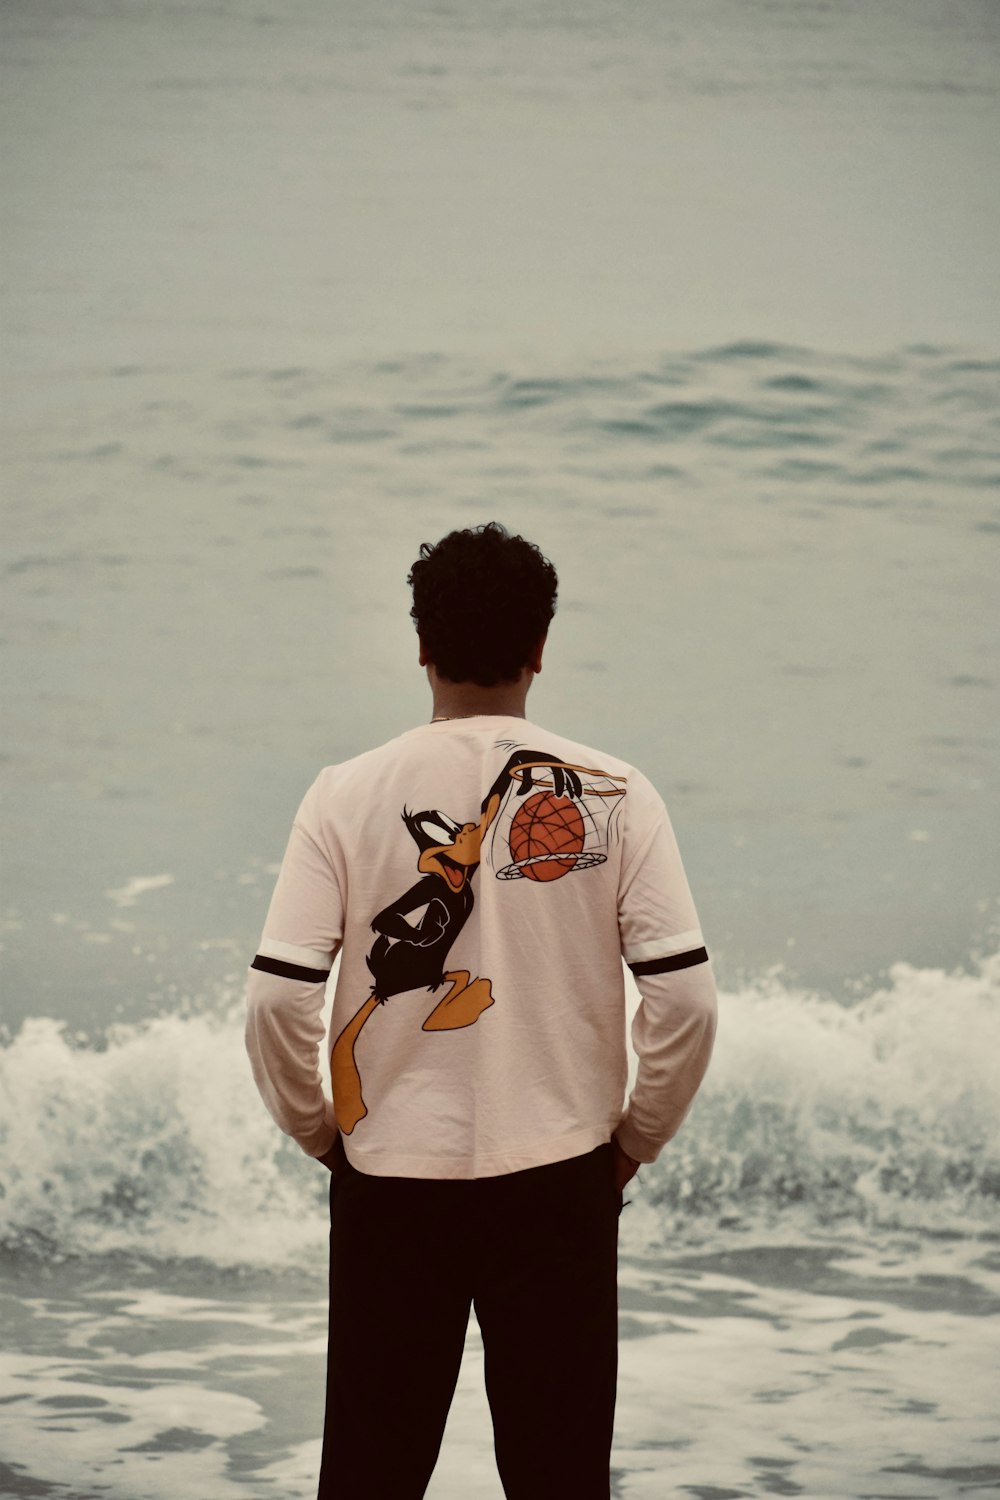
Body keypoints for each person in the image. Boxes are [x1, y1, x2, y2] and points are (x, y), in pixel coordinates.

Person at [244, 521, 718, 1499]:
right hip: (559, 1178)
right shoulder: (617, 792)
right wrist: (632, 1145)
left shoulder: (342, 795)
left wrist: (324, 1134)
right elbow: (683, 999)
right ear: (540, 646)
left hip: (390, 1181)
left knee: (369, 1480)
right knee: (558, 1481)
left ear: (419, 643)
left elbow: (277, 997)